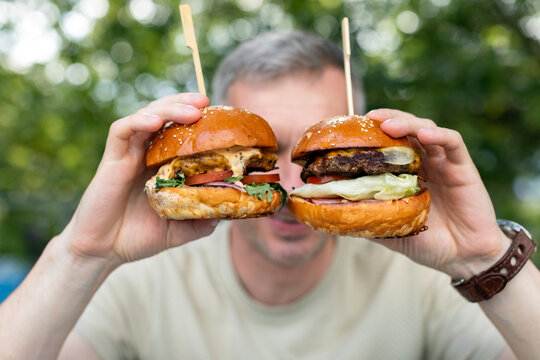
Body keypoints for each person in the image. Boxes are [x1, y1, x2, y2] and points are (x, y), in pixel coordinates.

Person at [1, 31, 539, 360]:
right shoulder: (140, 278)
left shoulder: (425, 279)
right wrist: (81, 256)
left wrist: (484, 256)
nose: (288, 180)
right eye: (264, 153)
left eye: (312, 156)